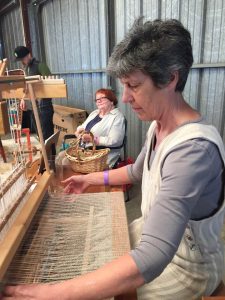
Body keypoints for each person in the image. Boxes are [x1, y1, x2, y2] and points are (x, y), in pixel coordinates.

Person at [1, 18, 225, 300]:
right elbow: (136, 172)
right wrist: (88, 179)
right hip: (154, 236)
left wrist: (51, 293)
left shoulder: (193, 151)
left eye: (134, 85)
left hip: (187, 267)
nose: (126, 97)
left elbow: (154, 256)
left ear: (171, 78)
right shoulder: (159, 126)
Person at [57, 88, 126, 168]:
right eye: (97, 99)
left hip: (100, 156)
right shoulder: (95, 113)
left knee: (65, 162)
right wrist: (79, 131)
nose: (98, 101)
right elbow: (83, 126)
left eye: (102, 98)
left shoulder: (117, 117)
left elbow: (115, 141)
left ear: (111, 101)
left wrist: (92, 139)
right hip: (84, 150)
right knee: (59, 157)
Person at [14, 46, 55, 155]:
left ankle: (51, 161)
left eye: (23, 58)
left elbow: (51, 85)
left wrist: (40, 96)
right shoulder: (27, 68)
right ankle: (45, 159)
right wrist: (23, 98)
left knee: (47, 136)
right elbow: (27, 86)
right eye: (20, 60)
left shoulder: (40, 66)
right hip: (34, 106)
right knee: (39, 135)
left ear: (28, 55)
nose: (22, 61)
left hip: (44, 106)